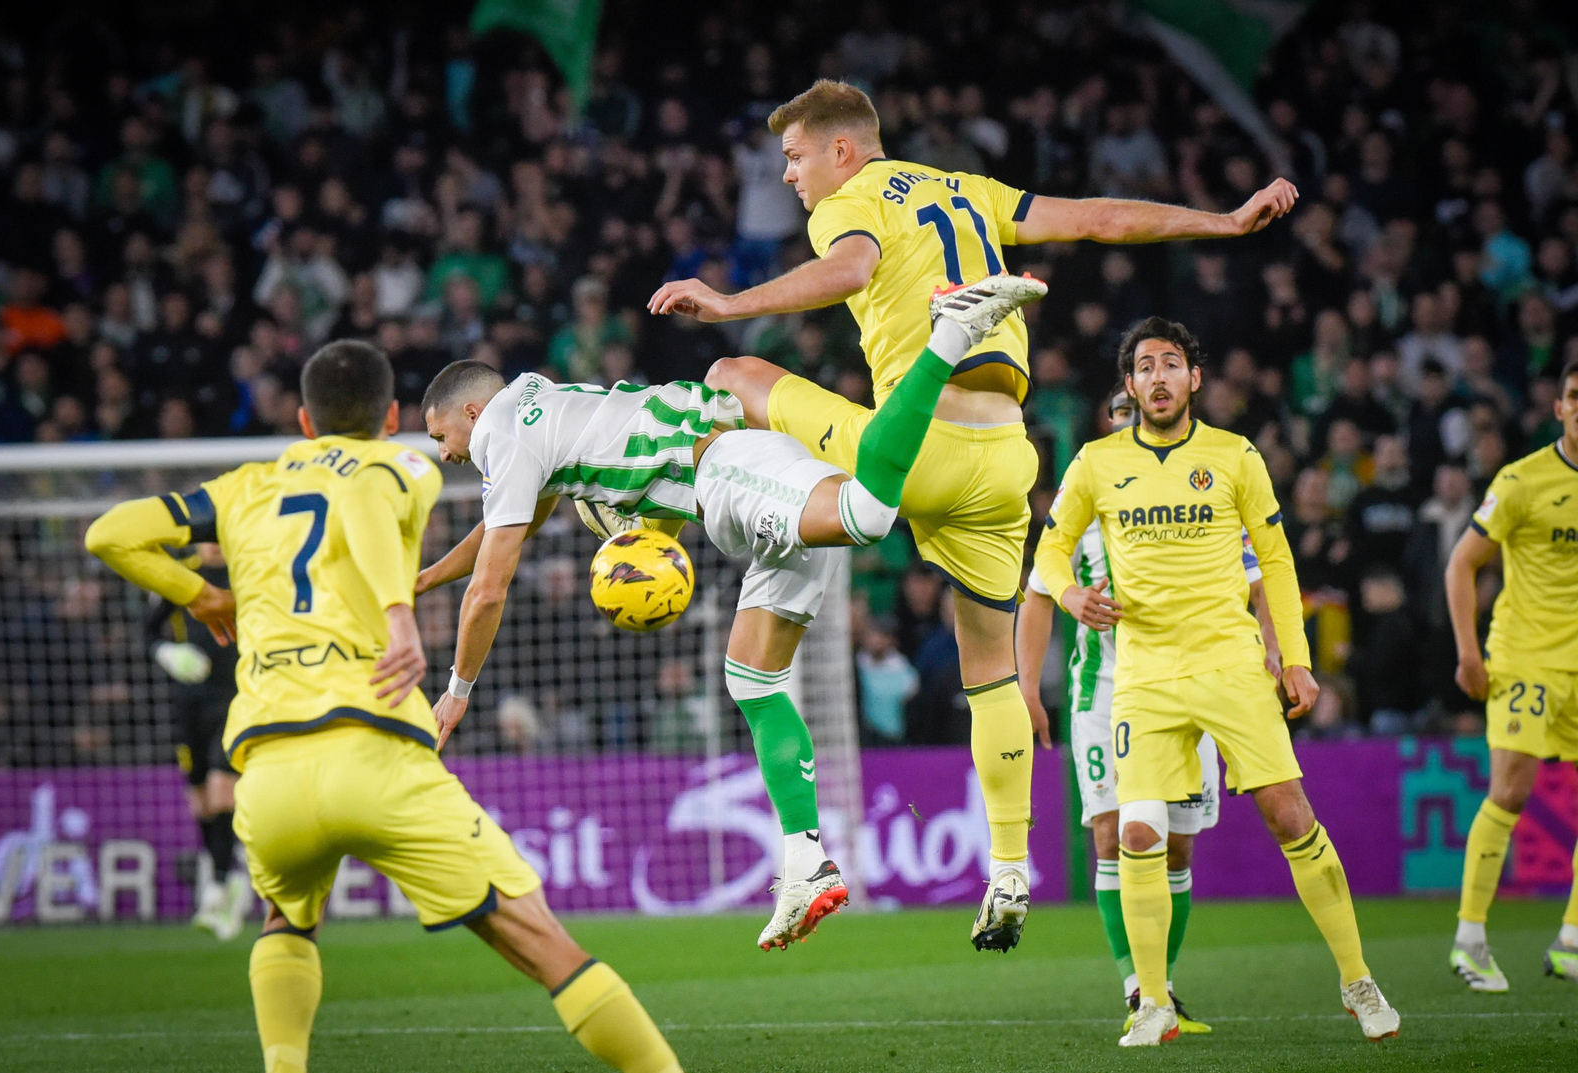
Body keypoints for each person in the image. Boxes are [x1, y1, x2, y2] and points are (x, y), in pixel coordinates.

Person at [647, 78, 1299, 951]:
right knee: (988, 669)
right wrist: (1221, 222)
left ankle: (662, 526)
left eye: (796, 158)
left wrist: (730, 301)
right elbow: (1099, 219)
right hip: (1005, 462)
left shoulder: (855, 200)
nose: (791, 177)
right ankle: (1007, 868)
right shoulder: (970, 191)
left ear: (842, 149)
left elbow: (851, 269)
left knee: (730, 376)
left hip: (916, 453)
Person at [85, 340, 683, 1073]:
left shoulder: (243, 485)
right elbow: (367, 510)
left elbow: (108, 533)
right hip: (374, 751)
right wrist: (401, 611)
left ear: (304, 420)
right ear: (393, 416)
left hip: (268, 771)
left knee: (286, 918)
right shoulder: (400, 465)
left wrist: (202, 594)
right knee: (545, 944)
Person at [419, 276, 1045, 952]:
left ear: (473, 411)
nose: (445, 451)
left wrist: (456, 692)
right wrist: (425, 577)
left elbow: (490, 587)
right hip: (724, 493)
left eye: (441, 433)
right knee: (751, 677)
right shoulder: (537, 402)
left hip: (729, 470)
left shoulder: (499, 436)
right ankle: (806, 861)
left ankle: (949, 333)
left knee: (864, 514)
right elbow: (514, 522)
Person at [1034, 317, 1399, 1046]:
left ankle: (1358, 980)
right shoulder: (1096, 463)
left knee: (1290, 816)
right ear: (1130, 385)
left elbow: (1278, 558)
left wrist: (1293, 656)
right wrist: (1071, 594)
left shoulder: (1235, 456)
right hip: (1142, 676)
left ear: (1195, 379)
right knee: (1137, 833)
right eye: (1145, 367)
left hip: (1231, 665)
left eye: (1173, 363)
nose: (1159, 378)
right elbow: (1049, 549)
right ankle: (1153, 1002)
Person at [1016, 389, 1282, 1035]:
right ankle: (1141, 990)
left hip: (1193, 681)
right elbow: (1038, 594)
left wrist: (1277, 653)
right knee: (1114, 833)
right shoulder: (1080, 514)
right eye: (1119, 415)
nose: (1131, 423)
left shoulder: (1197, 506)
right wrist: (1027, 690)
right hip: (1104, 689)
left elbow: (1260, 579)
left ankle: (1163, 984)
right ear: (1109, 426)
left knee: (1178, 846)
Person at [1445, 356, 1578, 990]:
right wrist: (1470, 653)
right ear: (1558, 408)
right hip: (1526, 656)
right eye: (1574, 396)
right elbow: (1461, 564)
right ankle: (1470, 939)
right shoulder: (1523, 480)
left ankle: (1573, 941)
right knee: (1511, 791)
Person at [144, 543, 251, 940]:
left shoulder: (247, 571)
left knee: (224, 792)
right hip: (189, 699)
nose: (214, 544)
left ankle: (221, 884)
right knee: (200, 801)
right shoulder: (179, 577)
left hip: (236, 696)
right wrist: (169, 654)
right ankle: (225, 874)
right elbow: (147, 635)